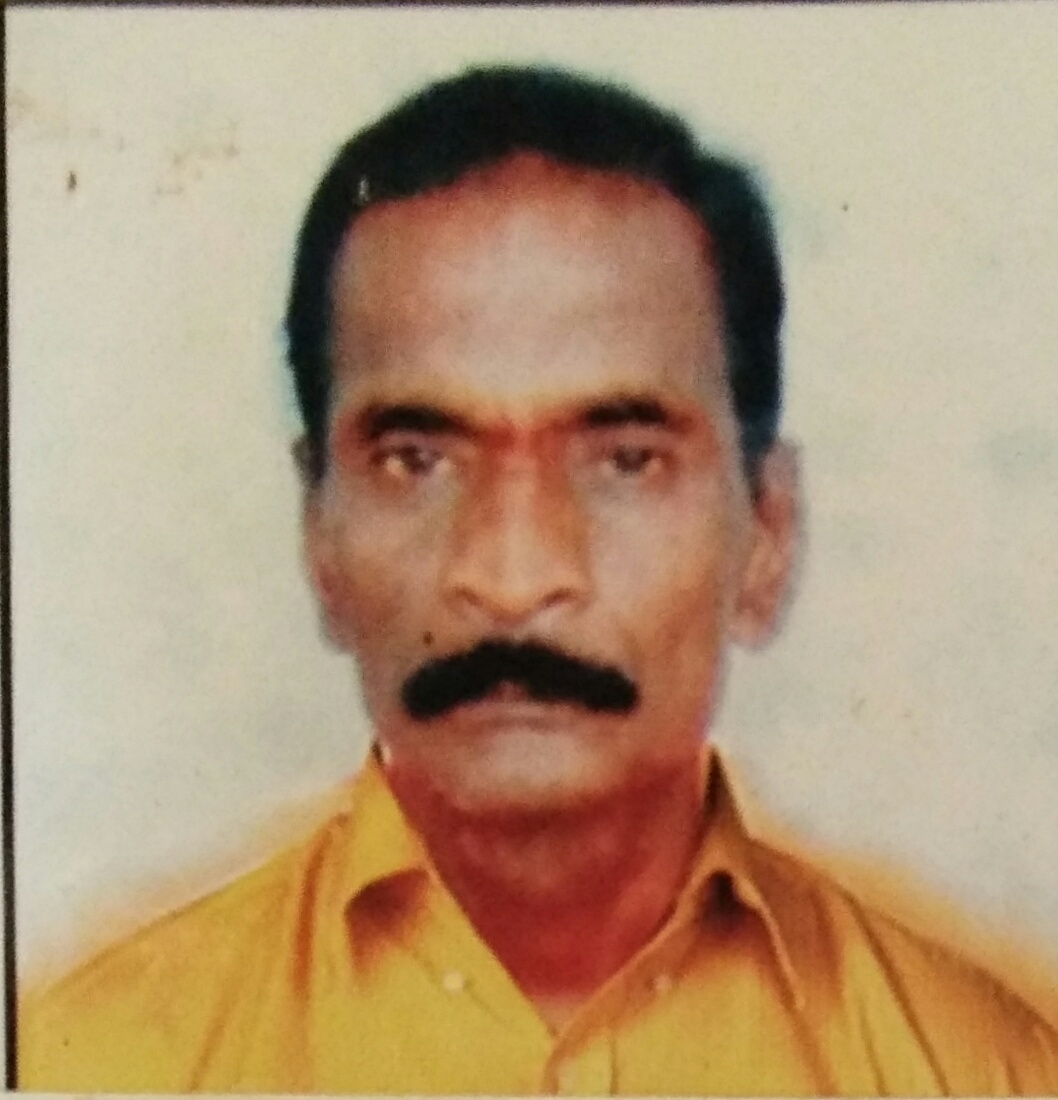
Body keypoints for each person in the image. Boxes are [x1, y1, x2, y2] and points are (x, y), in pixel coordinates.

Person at [18, 64, 1058, 1094]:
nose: (513, 579)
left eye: (625, 460)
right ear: (317, 532)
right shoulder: (89, 1062)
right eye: (416, 460)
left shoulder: (986, 1070)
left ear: (767, 534)